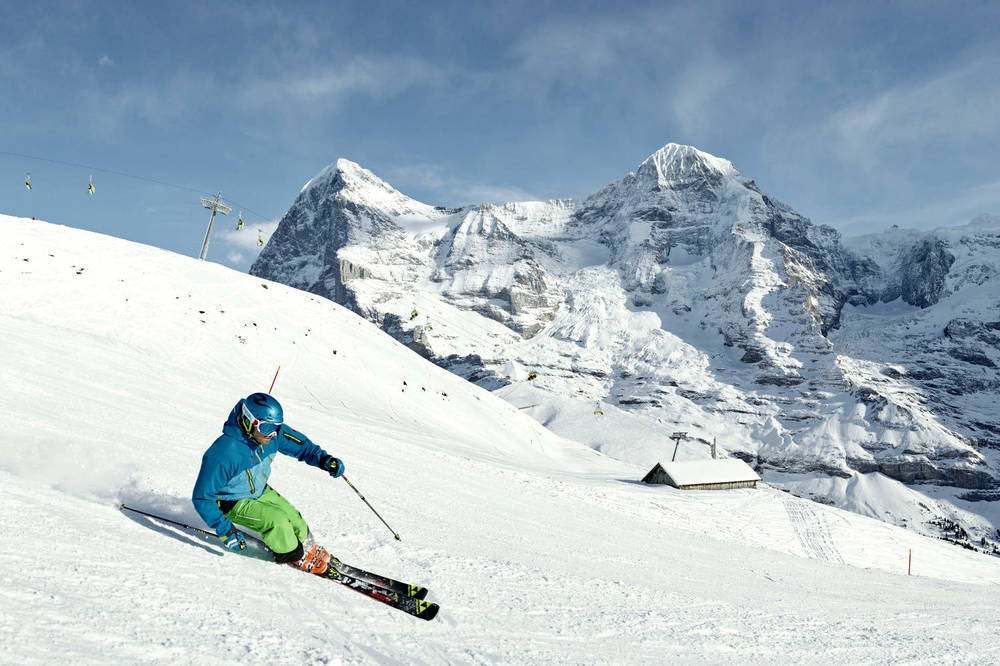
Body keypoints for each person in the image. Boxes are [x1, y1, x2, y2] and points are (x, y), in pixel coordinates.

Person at [192, 392, 345, 574]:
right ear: (249, 421)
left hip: (259, 490)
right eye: (266, 428)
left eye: (276, 427)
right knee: (277, 521)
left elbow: (302, 447)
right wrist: (225, 530)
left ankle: (307, 546)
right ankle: (293, 555)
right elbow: (202, 497)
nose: (272, 434)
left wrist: (324, 460)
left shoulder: (271, 435)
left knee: (293, 517)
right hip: (231, 501)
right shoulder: (225, 452)